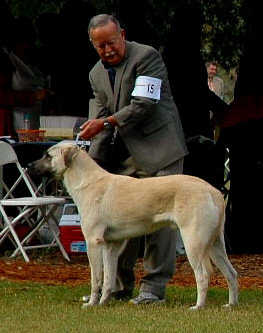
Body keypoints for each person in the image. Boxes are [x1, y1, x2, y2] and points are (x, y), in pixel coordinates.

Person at [79, 14, 188, 304]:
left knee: (161, 222)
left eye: (111, 43)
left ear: (122, 35)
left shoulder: (147, 56)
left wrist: (104, 124)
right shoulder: (95, 74)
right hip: (126, 155)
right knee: (121, 219)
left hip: (161, 150)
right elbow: (100, 118)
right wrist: (94, 164)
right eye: (100, 46)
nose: (107, 50)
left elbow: (143, 105)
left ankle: (153, 289)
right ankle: (117, 287)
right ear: (93, 44)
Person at [162, 6, 227, 190]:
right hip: (186, 130)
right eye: (197, 27)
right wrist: (224, 109)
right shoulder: (182, 53)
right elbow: (195, 90)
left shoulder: (176, 51)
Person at [219, 5, 263, 254]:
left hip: (241, 127)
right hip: (245, 126)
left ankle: (244, 235)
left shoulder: (249, 56)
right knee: (244, 186)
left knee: (242, 186)